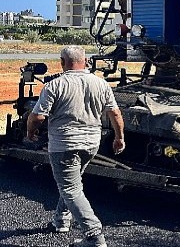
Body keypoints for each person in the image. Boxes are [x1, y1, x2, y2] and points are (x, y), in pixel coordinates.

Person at [26, 46, 125, 247]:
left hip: (64, 145)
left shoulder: (55, 85)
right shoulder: (102, 84)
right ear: (85, 60)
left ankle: (94, 236)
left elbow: (37, 116)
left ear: (62, 62)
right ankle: (61, 220)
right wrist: (119, 137)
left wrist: (30, 133)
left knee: (70, 188)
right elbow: (115, 113)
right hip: (91, 144)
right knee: (73, 183)